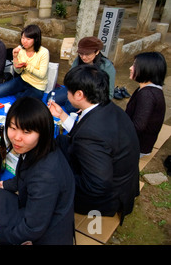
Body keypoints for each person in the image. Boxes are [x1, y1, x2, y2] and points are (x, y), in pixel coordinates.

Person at [0, 97, 75, 245]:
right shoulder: (41, 147)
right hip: (35, 210)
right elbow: (26, 173)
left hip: (46, 233)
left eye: (26, 132)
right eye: (12, 128)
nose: (16, 138)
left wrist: (0, 235)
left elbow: (33, 228)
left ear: (42, 132)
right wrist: (8, 184)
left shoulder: (46, 176)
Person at [49, 64, 140, 223]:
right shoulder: (107, 107)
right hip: (120, 176)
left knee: (48, 176)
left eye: (68, 90)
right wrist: (62, 115)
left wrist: (60, 177)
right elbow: (84, 132)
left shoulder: (91, 135)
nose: (66, 93)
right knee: (58, 141)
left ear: (79, 94)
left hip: (105, 197)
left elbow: (98, 185)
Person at [47, 36, 116, 113]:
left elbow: (109, 94)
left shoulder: (107, 67)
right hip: (75, 89)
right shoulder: (78, 60)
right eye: (81, 53)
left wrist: (89, 105)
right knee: (50, 98)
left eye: (87, 54)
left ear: (97, 52)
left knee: (70, 108)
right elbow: (70, 77)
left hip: (90, 95)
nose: (83, 57)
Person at [125, 52, 167, 157]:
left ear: (147, 69)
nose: (130, 68)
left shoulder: (147, 94)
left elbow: (137, 127)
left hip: (137, 147)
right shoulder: (147, 88)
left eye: (134, 66)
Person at [0, 24, 49, 100]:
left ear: (36, 39)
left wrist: (27, 66)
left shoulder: (44, 52)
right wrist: (15, 57)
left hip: (37, 86)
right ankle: (21, 92)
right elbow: (18, 71)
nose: (24, 41)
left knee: (21, 101)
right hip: (23, 80)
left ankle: (21, 94)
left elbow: (42, 75)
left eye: (28, 39)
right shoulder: (21, 51)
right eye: (23, 38)